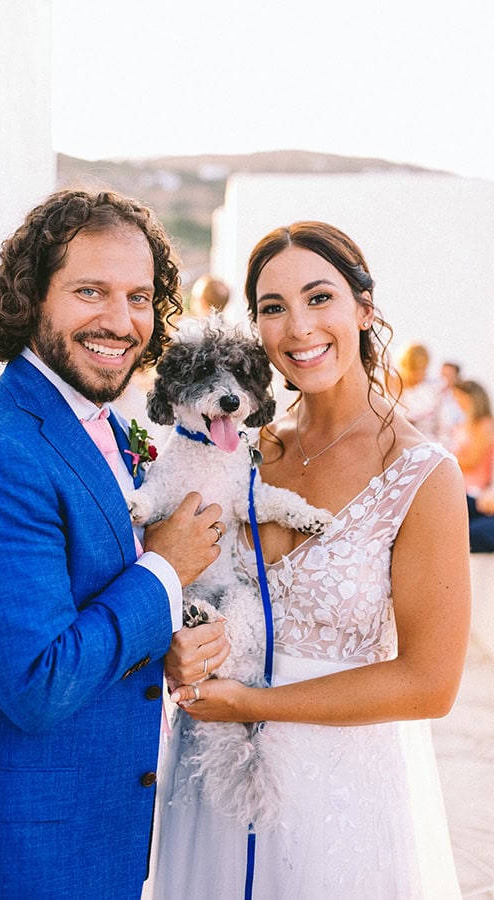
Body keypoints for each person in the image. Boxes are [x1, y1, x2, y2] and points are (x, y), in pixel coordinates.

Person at [0, 188, 230, 899]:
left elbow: (101, 609)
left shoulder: (109, 428)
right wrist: (165, 572)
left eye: (140, 297)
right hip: (19, 857)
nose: (120, 322)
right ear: (32, 297)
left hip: (101, 843)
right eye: (91, 291)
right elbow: (39, 680)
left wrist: (168, 642)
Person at [153, 221, 471, 898]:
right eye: (273, 308)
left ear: (363, 308)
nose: (298, 328)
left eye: (319, 297)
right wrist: (175, 644)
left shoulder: (422, 473)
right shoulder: (237, 448)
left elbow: (430, 683)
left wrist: (256, 702)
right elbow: (178, 572)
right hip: (208, 778)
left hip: (338, 798)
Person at [452, 378, 494, 552]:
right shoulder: (463, 425)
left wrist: (449, 458)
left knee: (464, 533)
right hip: (461, 484)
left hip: (475, 489)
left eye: (461, 399)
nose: (458, 404)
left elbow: (472, 459)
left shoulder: (485, 425)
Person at [394, 342, 442, 440]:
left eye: (423, 368)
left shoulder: (430, 393)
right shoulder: (387, 387)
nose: (420, 374)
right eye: (415, 369)